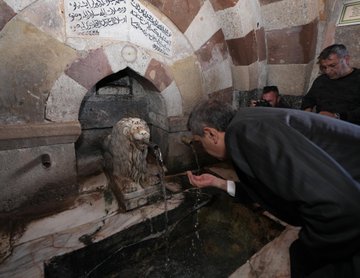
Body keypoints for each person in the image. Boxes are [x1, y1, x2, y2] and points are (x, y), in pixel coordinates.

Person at [186, 99, 360, 278]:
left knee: (303, 257)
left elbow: (339, 202)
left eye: (199, 142)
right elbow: (270, 186)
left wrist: (314, 243)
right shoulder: (247, 122)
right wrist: (219, 183)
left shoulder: (245, 134)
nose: (202, 149)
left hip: (349, 208)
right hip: (348, 192)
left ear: (211, 134)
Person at [301, 44, 360, 125]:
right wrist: (307, 112)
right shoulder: (321, 80)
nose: (328, 71)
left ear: (346, 59)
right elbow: (308, 99)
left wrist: (337, 116)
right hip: (322, 126)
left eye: (332, 65)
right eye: (324, 67)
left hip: (351, 128)